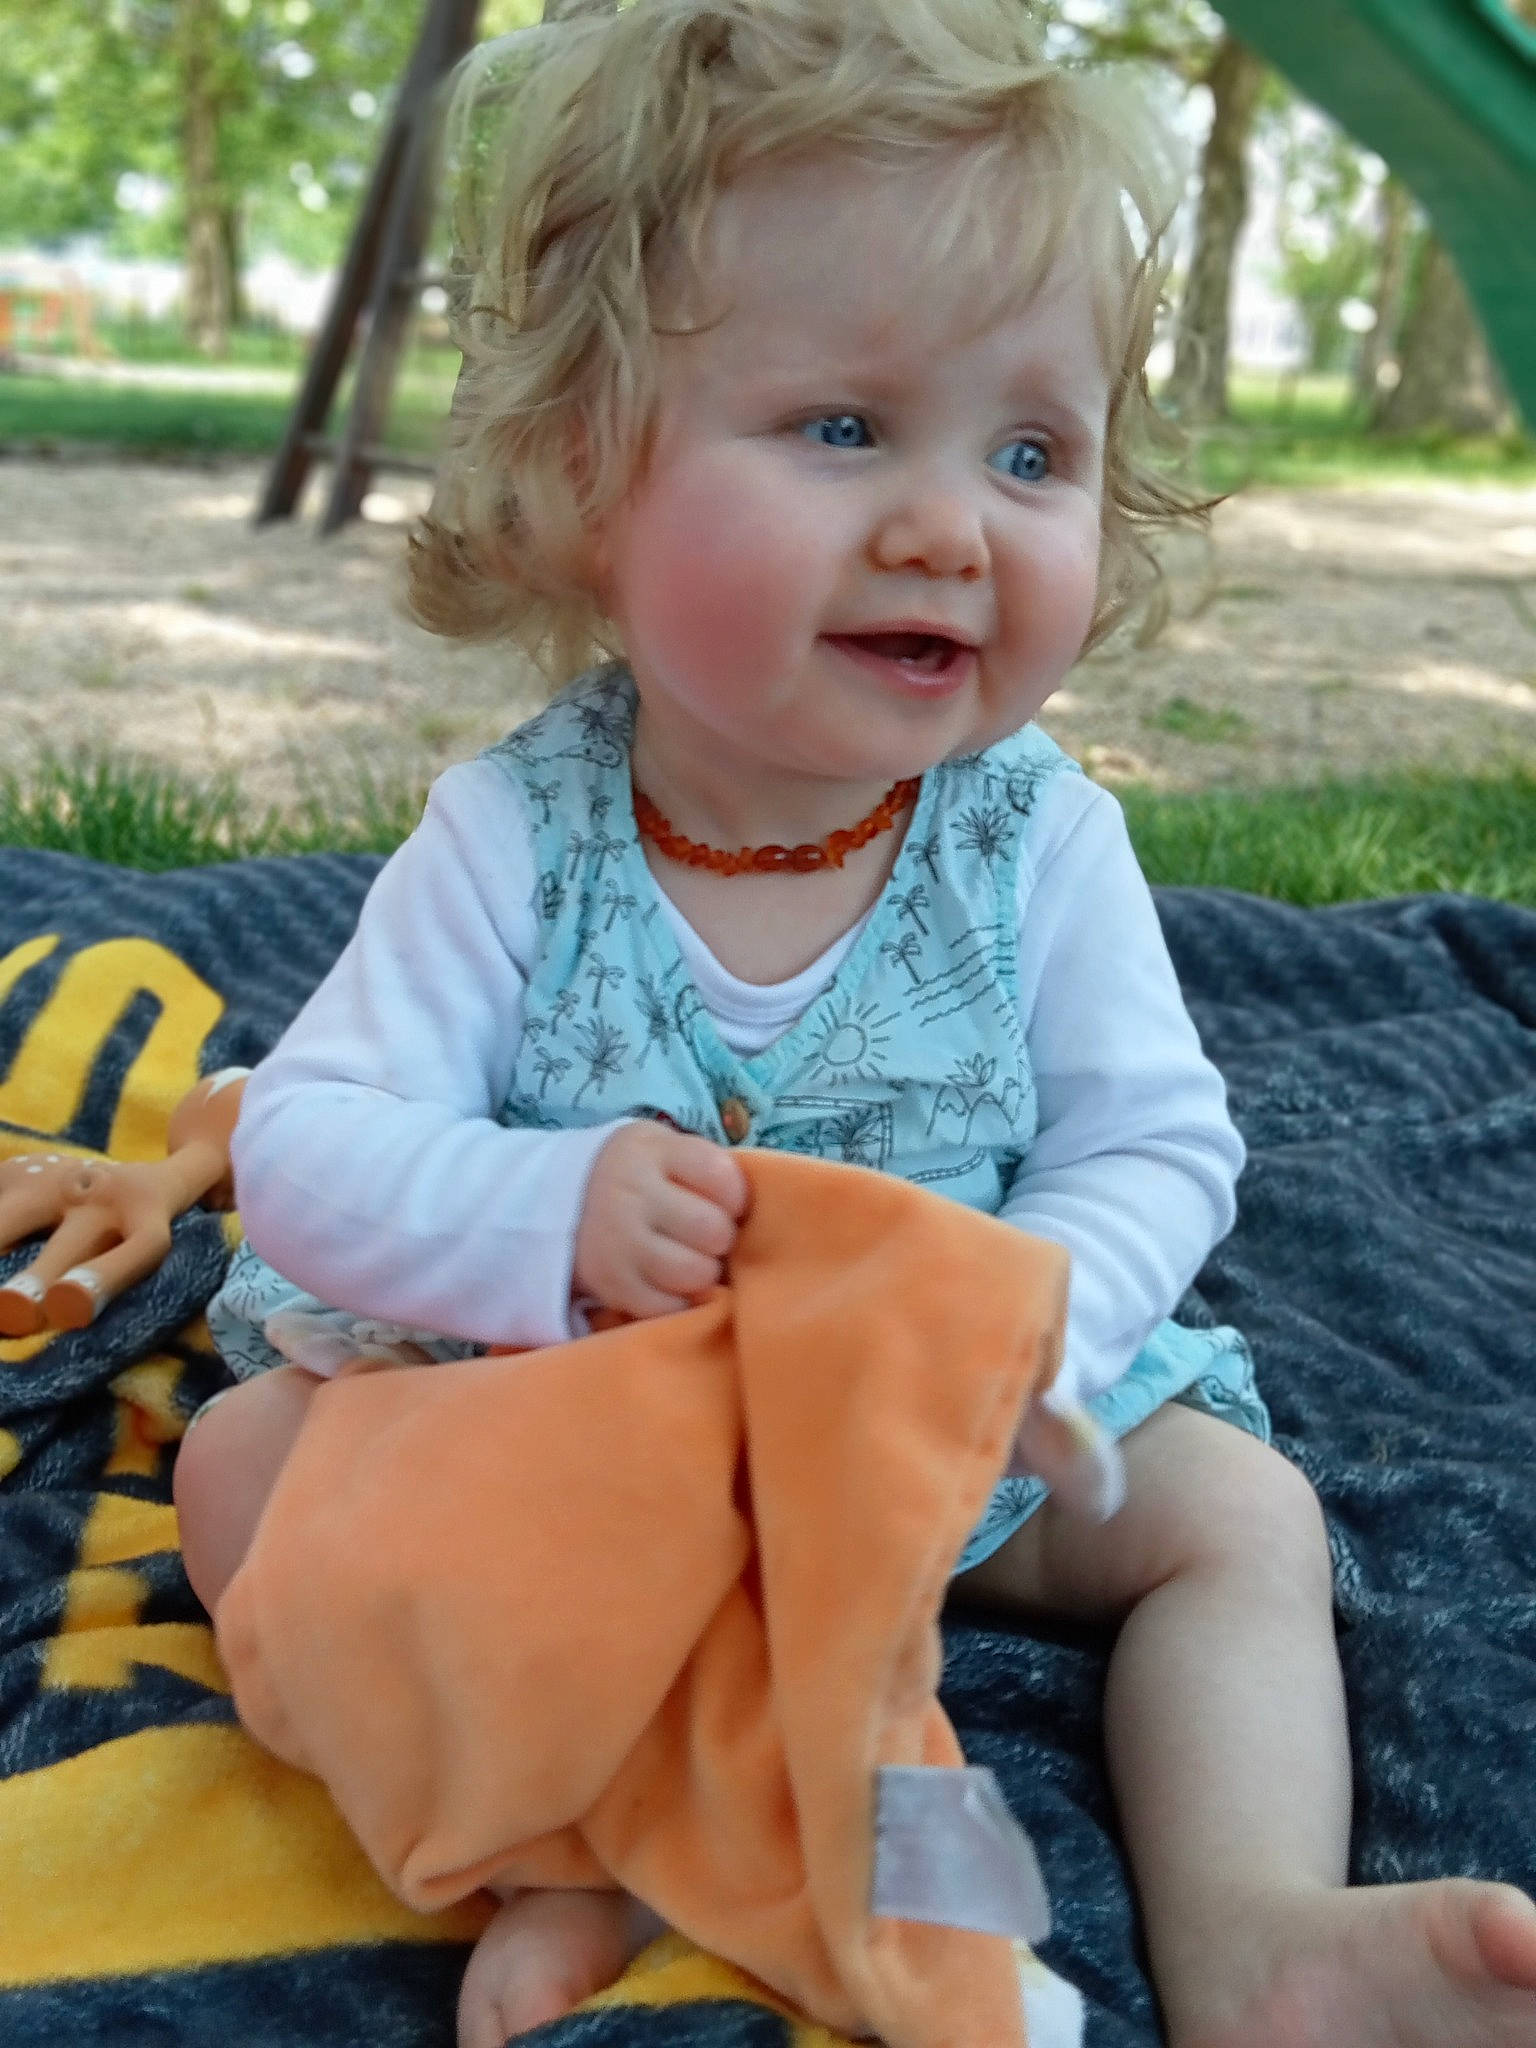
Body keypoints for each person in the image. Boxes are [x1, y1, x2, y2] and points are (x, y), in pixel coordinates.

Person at [174, 2, 1536, 2044]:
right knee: (245, 1478)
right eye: (841, 428)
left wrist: (1023, 1340)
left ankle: (1261, 1933)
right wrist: (537, 1213)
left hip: (943, 1432)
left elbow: (1154, 1143)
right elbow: (307, 1133)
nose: (950, 524)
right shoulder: (515, 841)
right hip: (581, 1446)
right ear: (581, 472)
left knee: (1238, 1517)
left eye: (1030, 450)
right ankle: (568, 1852)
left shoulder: (1034, 841)